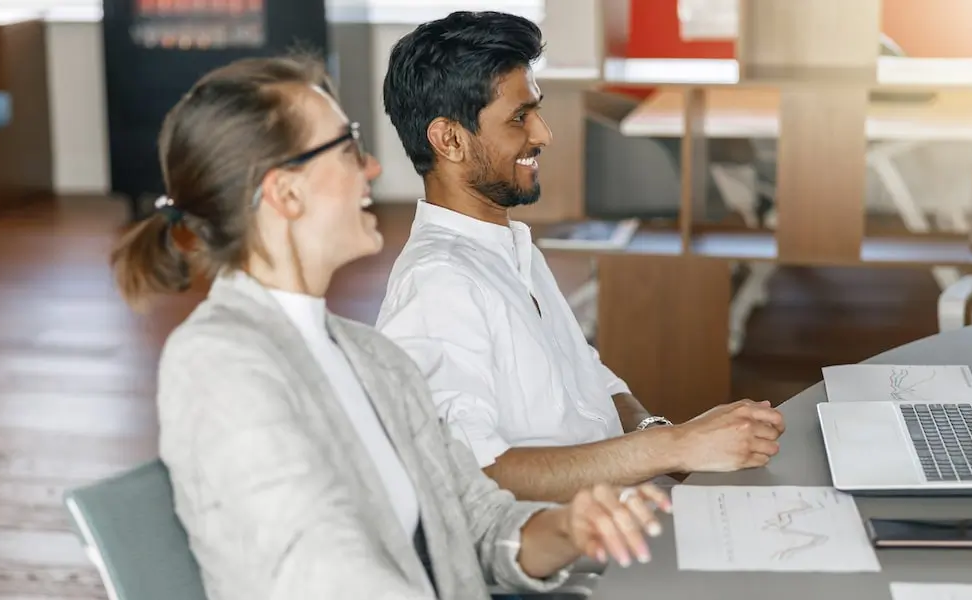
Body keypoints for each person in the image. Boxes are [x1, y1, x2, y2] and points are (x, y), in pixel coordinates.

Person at [109, 53, 670, 599]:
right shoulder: (218, 365)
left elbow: (472, 521)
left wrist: (569, 528)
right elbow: (321, 574)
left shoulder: (369, 357)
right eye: (348, 147)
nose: (373, 167)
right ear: (286, 192)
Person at [375, 11, 785, 503]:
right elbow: (471, 477)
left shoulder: (512, 250)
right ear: (449, 140)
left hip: (626, 504)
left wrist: (662, 438)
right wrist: (675, 448)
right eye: (519, 118)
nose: (544, 134)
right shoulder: (438, 286)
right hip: (583, 549)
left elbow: (592, 379)